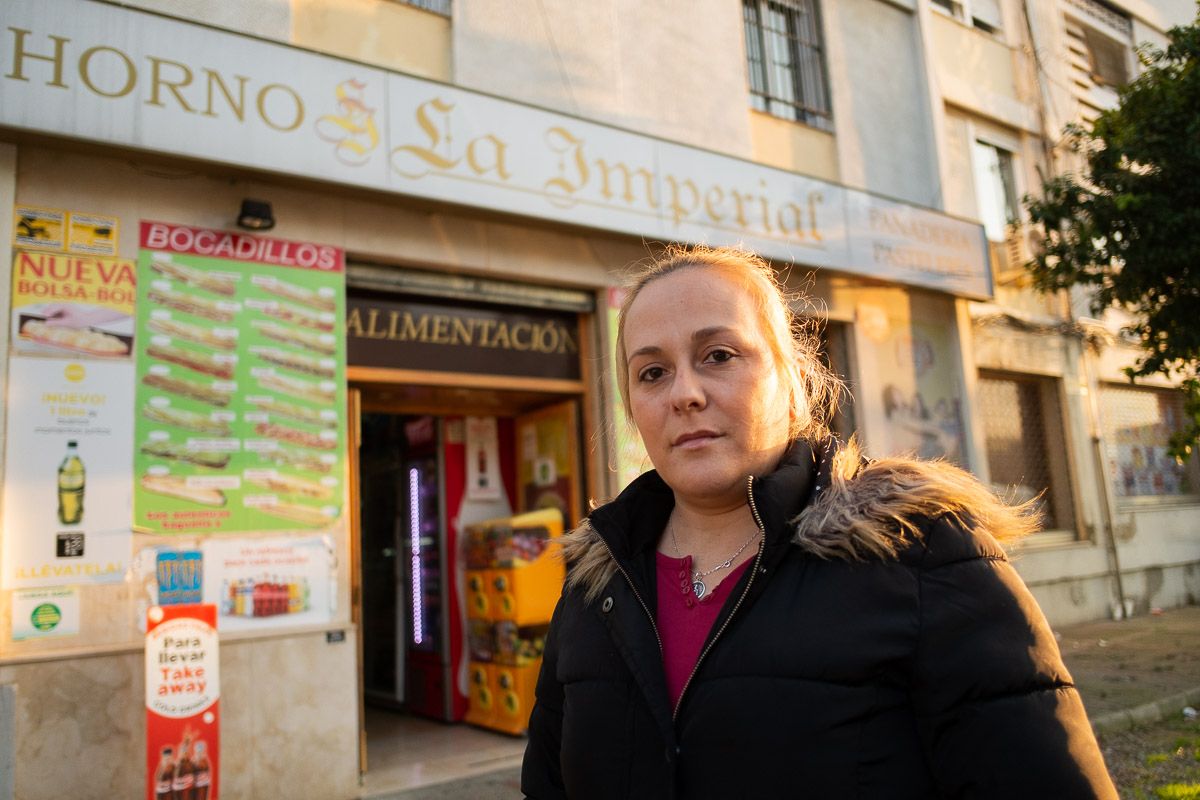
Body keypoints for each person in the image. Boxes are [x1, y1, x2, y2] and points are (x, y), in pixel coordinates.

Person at [521, 246, 1117, 799]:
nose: (685, 394)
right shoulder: (595, 581)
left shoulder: (918, 550)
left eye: (719, 356)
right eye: (652, 372)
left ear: (791, 378)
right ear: (633, 409)